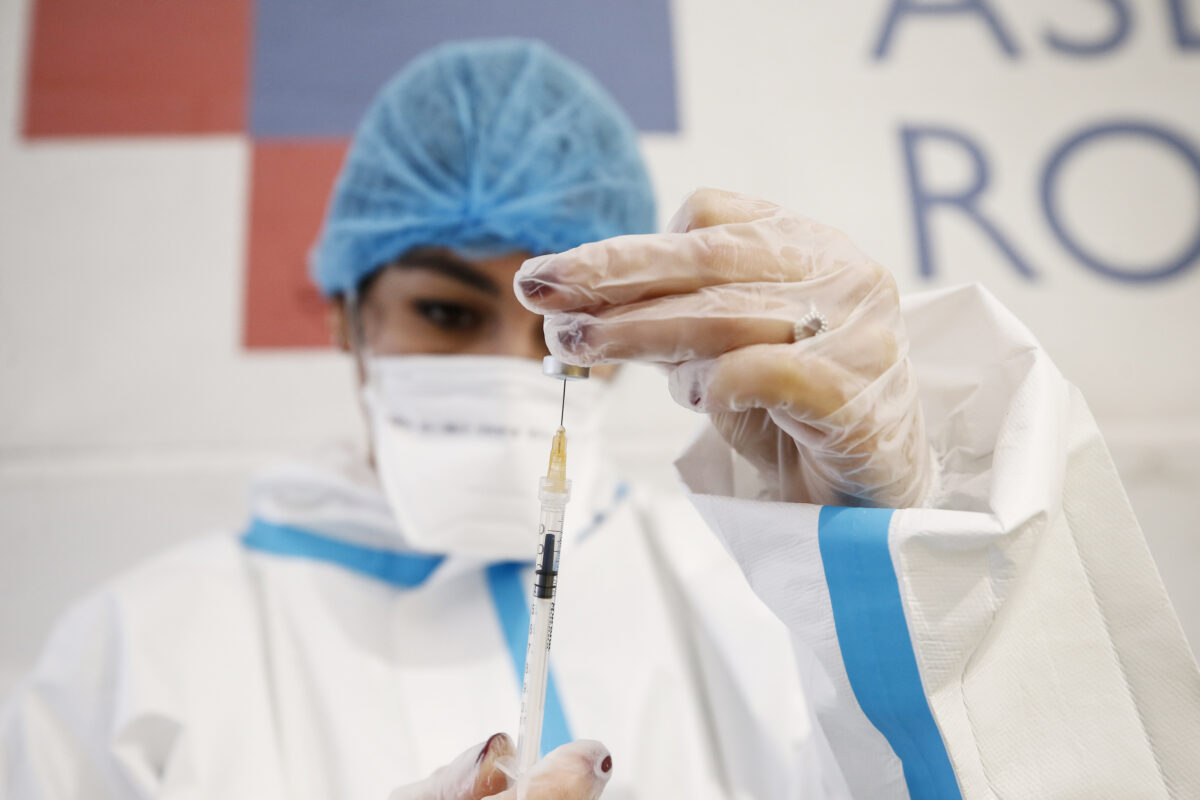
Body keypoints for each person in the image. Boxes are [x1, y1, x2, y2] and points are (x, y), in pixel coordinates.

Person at [3, 37, 1199, 800]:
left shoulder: (755, 590)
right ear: (344, 318)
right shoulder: (138, 653)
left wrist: (912, 552)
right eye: (444, 310)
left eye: (560, 326)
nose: (511, 363)